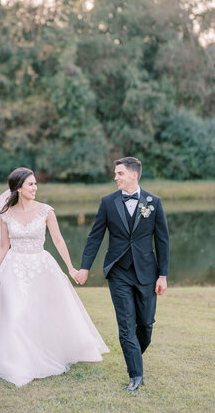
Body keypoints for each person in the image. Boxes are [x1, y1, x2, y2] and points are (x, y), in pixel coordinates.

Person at [0, 167, 109, 387]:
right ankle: (18, 360)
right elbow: (2, 246)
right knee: (16, 313)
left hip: (41, 266)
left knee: (41, 312)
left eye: (35, 183)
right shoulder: (6, 215)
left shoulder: (46, 211)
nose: (35, 188)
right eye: (31, 184)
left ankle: (44, 349)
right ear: (19, 188)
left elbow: (58, 240)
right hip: (14, 267)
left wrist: (71, 268)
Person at [75, 157, 170, 392]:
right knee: (126, 325)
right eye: (115, 173)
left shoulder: (153, 202)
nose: (115, 177)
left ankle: (134, 354)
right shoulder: (108, 202)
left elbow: (163, 240)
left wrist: (163, 275)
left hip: (147, 272)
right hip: (118, 271)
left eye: (119, 173)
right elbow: (95, 236)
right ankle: (136, 375)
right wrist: (85, 267)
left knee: (146, 324)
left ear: (133, 175)